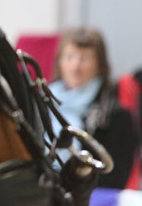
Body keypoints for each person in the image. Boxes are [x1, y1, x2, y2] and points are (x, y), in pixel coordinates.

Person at [50, 27, 139, 189]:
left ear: (100, 64)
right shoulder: (41, 103)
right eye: (69, 57)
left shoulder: (116, 116)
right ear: (59, 61)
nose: (75, 66)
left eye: (84, 58)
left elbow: (115, 180)